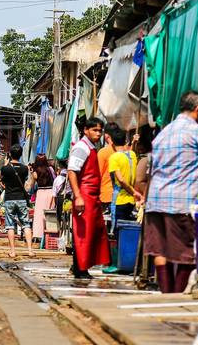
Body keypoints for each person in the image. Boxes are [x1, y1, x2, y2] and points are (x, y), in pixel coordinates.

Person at [144, 91, 198, 293]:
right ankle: (175, 293)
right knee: (187, 250)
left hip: (156, 200)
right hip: (182, 201)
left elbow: (151, 168)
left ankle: (165, 292)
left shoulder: (163, 133)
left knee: (160, 249)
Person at [67, 116, 111, 278]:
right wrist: (78, 196)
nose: (98, 134)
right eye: (95, 130)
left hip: (92, 196)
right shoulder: (82, 147)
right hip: (84, 195)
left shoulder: (91, 147)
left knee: (90, 233)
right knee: (83, 234)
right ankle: (80, 269)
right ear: (86, 130)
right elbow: (72, 171)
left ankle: (80, 267)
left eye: (100, 130)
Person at [0, 144, 34, 258]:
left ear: (10, 154)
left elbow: (0, 178)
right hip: (21, 199)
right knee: (26, 224)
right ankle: (30, 250)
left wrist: (5, 164)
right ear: (20, 154)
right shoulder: (25, 168)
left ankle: (13, 252)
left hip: (9, 199)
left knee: (10, 225)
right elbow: (25, 182)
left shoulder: (6, 168)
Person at [108, 127, 142, 234]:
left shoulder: (114, 158)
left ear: (112, 143)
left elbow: (121, 180)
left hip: (120, 200)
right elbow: (129, 152)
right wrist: (133, 142)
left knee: (118, 233)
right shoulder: (132, 155)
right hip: (131, 202)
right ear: (124, 141)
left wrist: (133, 192)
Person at [30, 153, 55, 244]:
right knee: (49, 214)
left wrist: (31, 172)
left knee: (39, 215)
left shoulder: (35, 172)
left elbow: (31, 185)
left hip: (41, 193)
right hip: (50, 192)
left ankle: (38, 235)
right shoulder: (51, 169)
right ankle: (49, 235)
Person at [97, 122, 119, 214]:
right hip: (121, 196)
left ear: (106, 135)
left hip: (106, 196)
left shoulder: (103, 152)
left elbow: (98, 175)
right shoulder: (126, 151)